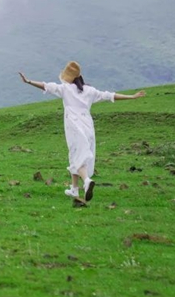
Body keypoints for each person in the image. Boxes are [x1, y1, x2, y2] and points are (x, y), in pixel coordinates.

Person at [19, 62, 145, 202]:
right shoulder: (89, 91)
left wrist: (28, 81)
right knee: (76, 154)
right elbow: (110, 96)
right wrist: (131, 97)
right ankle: (74, 190)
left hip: (74, 126)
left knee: (77, 156)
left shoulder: (65, 89)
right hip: (88, 127)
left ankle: (86, 181)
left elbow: (46, 86)